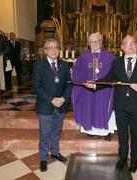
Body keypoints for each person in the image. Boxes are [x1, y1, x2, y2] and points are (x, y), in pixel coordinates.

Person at [85, 35, 137, 173]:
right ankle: (123, 157)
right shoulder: (116, 62)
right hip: (120, 105)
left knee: (136, 134)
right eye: (126, 43)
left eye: (133, 42)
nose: (130, 45)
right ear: (122, 47)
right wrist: (94, 85)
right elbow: (109, 78)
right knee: (122, 134)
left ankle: (134, 159)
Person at [32, 39, 72, 172]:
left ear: (59, 50)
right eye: (50, 47)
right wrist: (51, 100)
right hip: (45, 106)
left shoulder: (65, 65)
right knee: (45, 134)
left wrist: (63, 98)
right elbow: (37, 87)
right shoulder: (39, 65)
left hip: (60, 105)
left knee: (56, 132)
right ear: (45, 51)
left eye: (56, 47)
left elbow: (69, 84)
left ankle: (55, 152)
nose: (54, 50)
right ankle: (43, 158)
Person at [71, 33, 117, 141]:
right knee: (89, 108)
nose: (94, 44)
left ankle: (107, 132)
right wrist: (72, 71)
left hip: (104, 90)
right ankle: (90, 131)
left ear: (101, 42)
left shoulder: (110, 56)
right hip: (88, 90)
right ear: (88, 43)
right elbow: (78, 72)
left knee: (104, 108)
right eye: (91, 42)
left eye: (96, 41)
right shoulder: (83, 57)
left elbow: (114, 73)